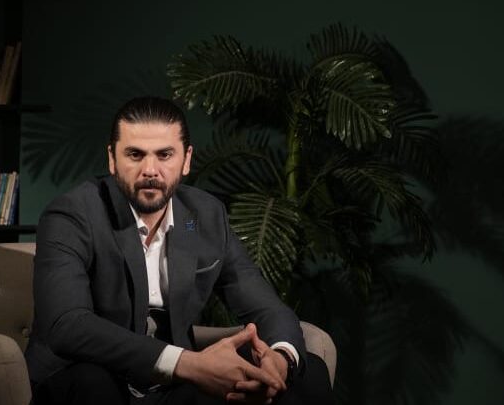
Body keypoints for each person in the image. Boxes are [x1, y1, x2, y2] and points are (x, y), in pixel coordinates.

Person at [25, 96, 333, 405]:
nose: (150, 170)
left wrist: (278, 360)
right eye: (135, 154)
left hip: (171, 385)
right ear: (112, 159)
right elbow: (67, 326)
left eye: (164, 155)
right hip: (88, 377)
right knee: (93, 381)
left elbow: (266, 307)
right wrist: (191, 364)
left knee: (308, 375)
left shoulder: (206, 215)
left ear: (186, 160)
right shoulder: (72, 215)